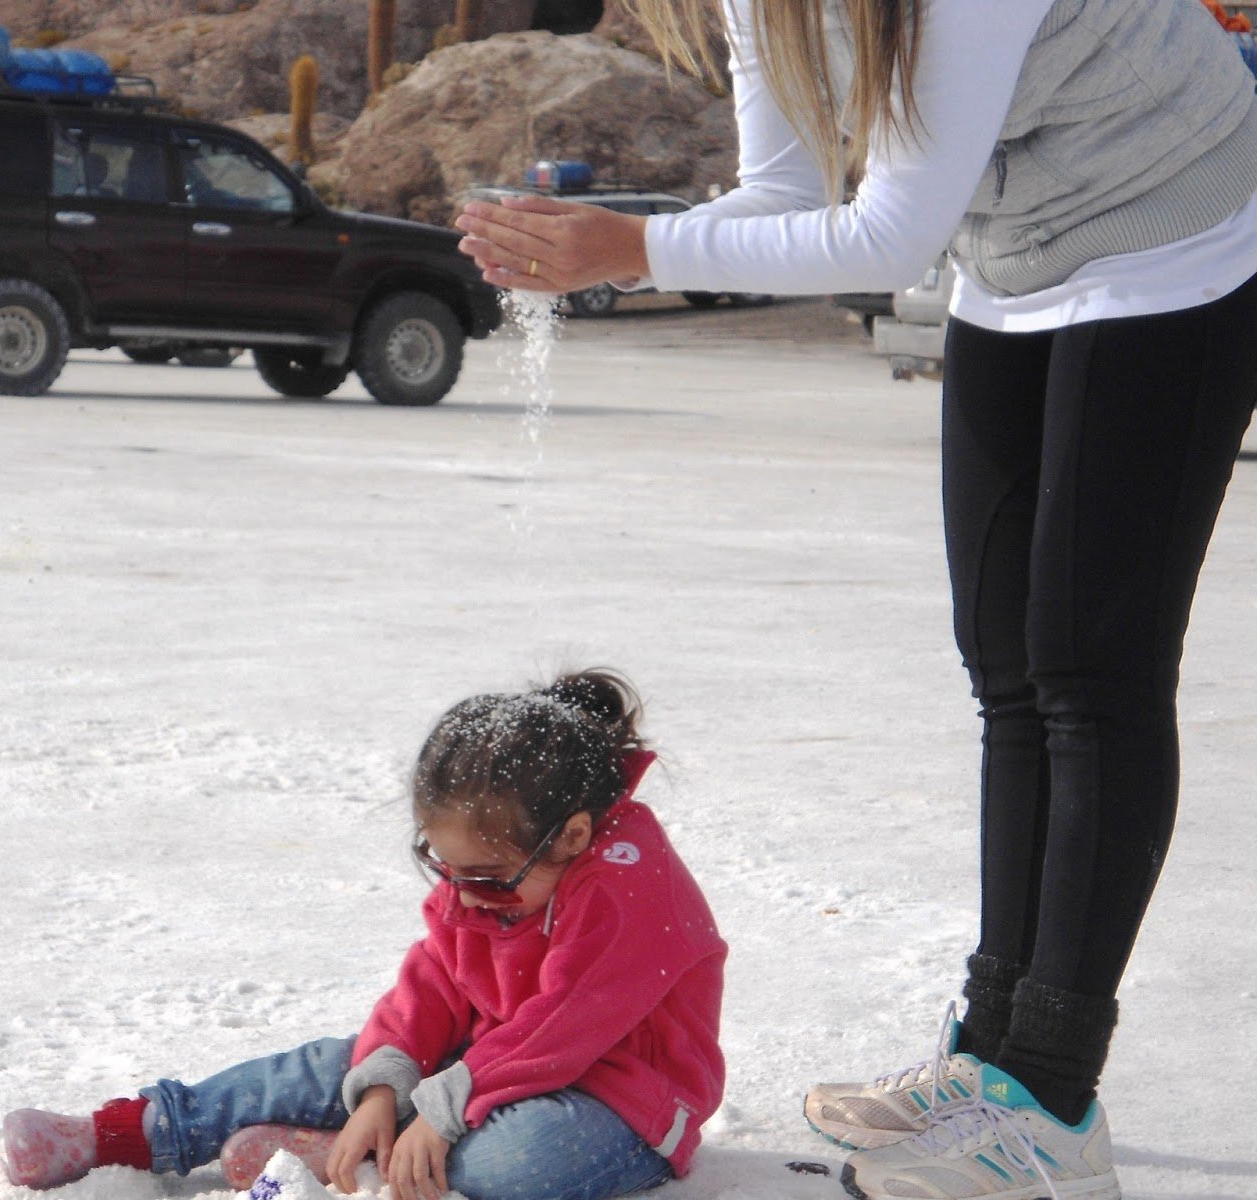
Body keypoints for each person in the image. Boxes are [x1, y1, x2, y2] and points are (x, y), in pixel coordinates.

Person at [454, 3, 1257, 1199]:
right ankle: (994, 1054)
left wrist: (634, 250)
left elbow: (886, 238)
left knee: (1092, 673)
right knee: (1006, 668)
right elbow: (781, 198)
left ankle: (1052, 1098)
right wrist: (606, 244)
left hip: (1170, 239)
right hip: (1011, 255)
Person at [0, 670, 728, 1200]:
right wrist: (384, 1085)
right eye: (444, 869)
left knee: (522, 1160)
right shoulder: (493, 870)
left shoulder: (629, 886)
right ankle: (127, 1133)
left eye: (486, 878)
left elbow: (562, 1027)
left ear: (571, 836)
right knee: (331, 1065)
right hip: (491, 1063)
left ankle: (357, 1164)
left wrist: (439, 1113)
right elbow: (436, 980)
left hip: (619, 1103)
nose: (463, 896)